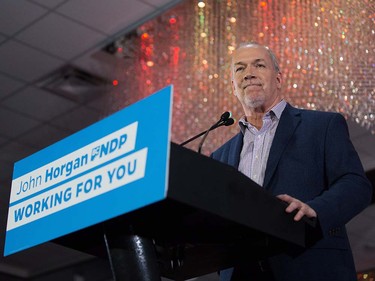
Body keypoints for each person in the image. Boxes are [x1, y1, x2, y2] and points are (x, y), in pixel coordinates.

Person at [211, 42, 373, 281]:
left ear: (278, 78)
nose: (249, 73)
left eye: (259, 65)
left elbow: (356, 185)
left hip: (308, 265)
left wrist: (316, 210)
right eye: (240, 68)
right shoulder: (219, 156)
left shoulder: (322, 126)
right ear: (233, 87)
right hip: (241, 271)